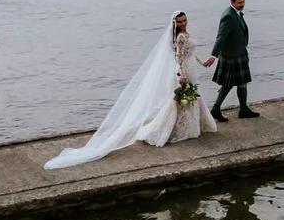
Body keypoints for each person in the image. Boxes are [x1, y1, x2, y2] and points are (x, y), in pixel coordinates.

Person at [44, 12, 218, 169]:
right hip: (184, 71)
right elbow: (179, 56)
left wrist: (202, 63)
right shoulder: (180, 36)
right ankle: (176, 128)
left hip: (191, 68)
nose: (183, 23)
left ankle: (190, 126)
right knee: (180, 99)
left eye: (184, 20)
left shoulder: (185, 34)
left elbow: (190, 53)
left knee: (192, 97)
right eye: (180, 21)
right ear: (175, 23)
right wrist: (181, 74)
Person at [209, 0, 258, 121]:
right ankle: (218, 109)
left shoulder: (236, 13)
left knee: (239, 83)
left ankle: (242, 109)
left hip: (238, 53)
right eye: (239, 2)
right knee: (232, 83)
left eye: (243, 2)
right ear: (232, 2)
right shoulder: (229, 16)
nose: (242, 4)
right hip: (232, 56)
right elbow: (221, 37)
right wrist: (213, 56)